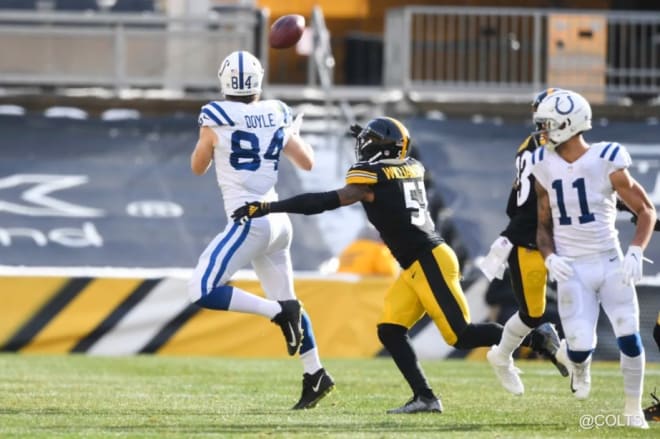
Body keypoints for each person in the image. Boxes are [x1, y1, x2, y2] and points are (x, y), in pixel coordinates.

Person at [232, 116, 562, 414]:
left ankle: (538, 338)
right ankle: (425, 397)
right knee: (390, 329)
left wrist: (269, 206)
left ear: (379, 146)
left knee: (461, 335)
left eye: (368, 139)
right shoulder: (411, 166)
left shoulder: (372, 176)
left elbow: (325, 201)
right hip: (418, 263)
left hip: (428, 259)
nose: (362, 145)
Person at [188, 50, 334, 410]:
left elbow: (198, 167)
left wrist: (210, 138)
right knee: (291, 301)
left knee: (202, 289)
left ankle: (274, 313)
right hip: (279, 219)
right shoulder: (278, 112)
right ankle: (315, 374)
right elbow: (307, 160)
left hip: (248, 219)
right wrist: (290, 133)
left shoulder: (215, 115)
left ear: (224, 81)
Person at [532, 89, 656, 429]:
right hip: (572, 267)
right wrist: (549, 256)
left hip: (609, 260)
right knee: (580, 347)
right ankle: (578, 365)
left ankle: (632, 408)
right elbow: (543, 225)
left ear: (567, 124)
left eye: (547, 124)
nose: (542, 131)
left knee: (629, 334)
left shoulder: (606, 158)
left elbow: (646, 210)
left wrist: (635, 250)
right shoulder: (542, 165)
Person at [478, 88, 568, 396]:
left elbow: (513, 202)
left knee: (585, 297)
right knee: (532, 313)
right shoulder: (552, 147)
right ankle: (502, 356)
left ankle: (576, 360)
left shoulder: (529, 144)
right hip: (535, 235)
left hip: (557, 235)